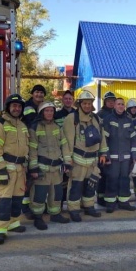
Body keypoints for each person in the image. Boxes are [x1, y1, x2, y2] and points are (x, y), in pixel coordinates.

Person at [0, 94, 29, 245]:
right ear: (8, 107)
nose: (16, 108)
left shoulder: (22, 126)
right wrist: (1, 170)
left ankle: (13, 223)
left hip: (20, 169)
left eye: (19, 106)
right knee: (3, 200)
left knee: (17, 199)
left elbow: (26, 148)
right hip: (6, 169)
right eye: (14, 106)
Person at [60, 90, 106, 222]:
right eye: (84, 103)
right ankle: (73, 209)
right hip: (77, 161)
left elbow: (102, 138)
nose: (87, 106)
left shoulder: (96, 119)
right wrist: (68, 161)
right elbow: (67, 141)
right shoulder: (71, 119)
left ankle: (88, 206)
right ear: (79, 104)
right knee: (76, 186)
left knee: (91, 185)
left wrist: (103, 153)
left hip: (92, 160)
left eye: (89, 103)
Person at [27, 102, 71, 230]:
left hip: (56, 169)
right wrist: (33, 168)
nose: (49, 113)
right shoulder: (35, 127)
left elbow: (64, 146)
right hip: (42, 169)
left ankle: (55, 214)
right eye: (47, 111)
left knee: (56, 194)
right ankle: (38, 217)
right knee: (39, 195)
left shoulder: (57, 127)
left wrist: (67, 162)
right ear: (42, 112)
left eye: (51, 111)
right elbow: (32, 150)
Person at [100, 97, 136, 213]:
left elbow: (133, 139)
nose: (121, 106)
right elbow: (104, 139)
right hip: (113, 158)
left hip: (126, 158)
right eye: (118, 104)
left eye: (122, 104)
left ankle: (124, 202)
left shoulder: (128, 120)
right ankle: (110, 203)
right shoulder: (108, 119)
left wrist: (135, 156)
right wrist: (105, 155)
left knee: (124, 180)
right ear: (114, 106)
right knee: (112, 179)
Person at [21, 84, 47, 217]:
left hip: (37, 145)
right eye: (37, 92)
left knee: (36, 179)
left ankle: (34, 204)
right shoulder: (28, 107)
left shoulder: (40, 107)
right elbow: (34, 123)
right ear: (32, 94)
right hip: (28, 145)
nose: (39, 95)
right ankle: (25, 208)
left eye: (42, 93)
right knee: (28, 179)